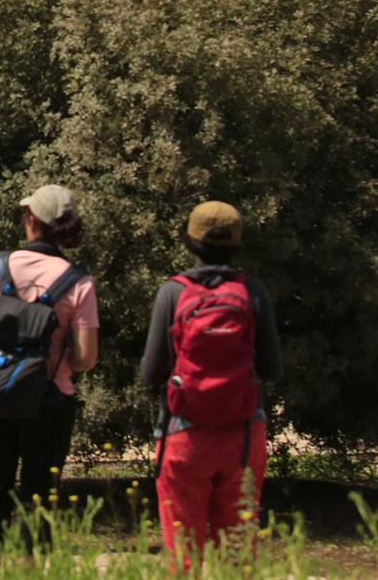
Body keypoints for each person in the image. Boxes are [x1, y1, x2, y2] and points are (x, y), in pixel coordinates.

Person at [0, 184, 99, 557]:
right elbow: (85, 358)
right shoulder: (78, 281)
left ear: (31, 220)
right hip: (48, 403)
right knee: (39, 503)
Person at [141, 201, 282, 571]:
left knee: (183, 552)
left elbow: (150, 372)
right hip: (243, 433)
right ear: (237, 245)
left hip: (182, 434)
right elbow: (272, 369)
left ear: (190, 242)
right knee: (235, 554)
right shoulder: (253, 291)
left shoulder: (172, 292)